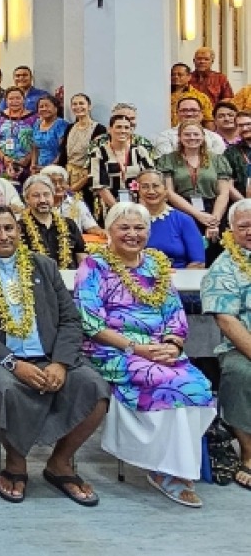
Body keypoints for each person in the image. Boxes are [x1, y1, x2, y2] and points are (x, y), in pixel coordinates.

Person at [0, 205, 110, 506]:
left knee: (95, 389)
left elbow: (70, 319)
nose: (3, 235)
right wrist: (12, 362)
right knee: (4, 388)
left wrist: (61, 363)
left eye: (9, 228)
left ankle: (60, 463)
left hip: (50, 354)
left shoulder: (44, 265)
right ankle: (15, 463)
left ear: (19, 231)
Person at [75, 202, 216, 507]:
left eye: (139, 228)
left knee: (198, 385)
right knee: (167, 381)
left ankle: (172, 464)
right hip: (112, 348)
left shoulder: (157, 265)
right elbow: (90, 322)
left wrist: (172, 345)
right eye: (123, 227)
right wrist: (136, 348)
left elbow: (175, 313)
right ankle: (167, 470)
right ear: (109, 232)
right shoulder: (94, 266)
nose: (132, 234)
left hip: (160, 349)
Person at [201, 198, 251, 491]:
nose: (250, 231)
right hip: (243, 345)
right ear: (231, 229)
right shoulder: (225, 266)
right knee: (241, 372)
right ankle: (248, 452)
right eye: (244, 226)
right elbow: (227, 321)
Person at [157, 120, 233, 260]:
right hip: (182, 210)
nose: (192, 138)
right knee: (187, 255)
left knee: (213, 254)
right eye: (187, 134)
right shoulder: (168, 160)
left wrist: (213, 221)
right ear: (179, 137)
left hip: (213, 210)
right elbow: (169, 192)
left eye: (196, 134)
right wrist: (198, 215)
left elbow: (223, 192)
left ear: (203, 137)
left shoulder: (217, 160)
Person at [131, 168, 206, 268]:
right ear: (138, 191)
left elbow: (199, 263)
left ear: (166, 190)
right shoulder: (130, 220)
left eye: (156, 186)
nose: (151, 191)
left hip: (178, 278)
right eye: (145, 187)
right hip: (136, 279)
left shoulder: (184, 220)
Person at [19, 175, 87, 269]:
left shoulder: (69, 224)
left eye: (46, 194)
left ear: (53, 195)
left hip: (68, 280)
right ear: (26, 199)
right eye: (36, 196)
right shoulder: (19, 228)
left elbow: (82, 256)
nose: (42, 200)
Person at [91, 114, 156, 212]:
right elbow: (100, 186)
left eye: (126, 128)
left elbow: (151, 178)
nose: (123, 131)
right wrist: (119, 210)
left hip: (140, 206)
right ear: (109, 129)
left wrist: (141, 207)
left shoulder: (140, 151)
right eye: (118, 127)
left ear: (131, 130)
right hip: (110, 207)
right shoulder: (99, 152)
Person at [56, 93, 106, 209]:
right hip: (69, 176)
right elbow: (64, 154)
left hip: (87, 178)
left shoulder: (99, 129)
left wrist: (79, 184)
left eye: (81, 103)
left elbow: (98, 159)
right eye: (74, 104)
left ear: (89, 106)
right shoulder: (70, 127)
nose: (78, 106)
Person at [0, 87, 36, 184]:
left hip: (27, 163)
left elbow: (37, 141)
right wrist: (3, 157)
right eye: (11, 99)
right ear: (6, 100)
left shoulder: (34, 117)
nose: (14, 101)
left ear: (23, 99)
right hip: (4, 162)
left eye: (18, 98)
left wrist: (28, 158)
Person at [39, 165, 106, 239]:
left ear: (67, 184)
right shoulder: (40, 205)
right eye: (53, 182)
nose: (58, 186)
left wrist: (101, 232)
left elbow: (91, 227)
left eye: (61, 181)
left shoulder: (77, 204)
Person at [154, 96, 228, 157]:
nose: (189, 114)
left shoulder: (214, 138)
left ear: (201, 113)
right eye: (184, 110)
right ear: (176, 114)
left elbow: (217, 162)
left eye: (194, 110)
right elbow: (166, 161)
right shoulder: (165, 137)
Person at [30, 95, 69, 171]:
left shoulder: (61, 124)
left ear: (56, 108)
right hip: (39, 168)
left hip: (56, 168)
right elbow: (35, 148)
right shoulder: (37, 123)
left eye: (47, 106)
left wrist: (49, 168)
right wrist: (33, 165)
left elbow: (63, 151)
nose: (44, 109)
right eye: (41, 106)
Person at [170, 62, 215, 126]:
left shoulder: (200, 97)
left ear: (189, 77)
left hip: (192, 133)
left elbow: (208, 120)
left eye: (180, 75)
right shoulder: (164, 95)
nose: (175, 77)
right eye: (173, 75)